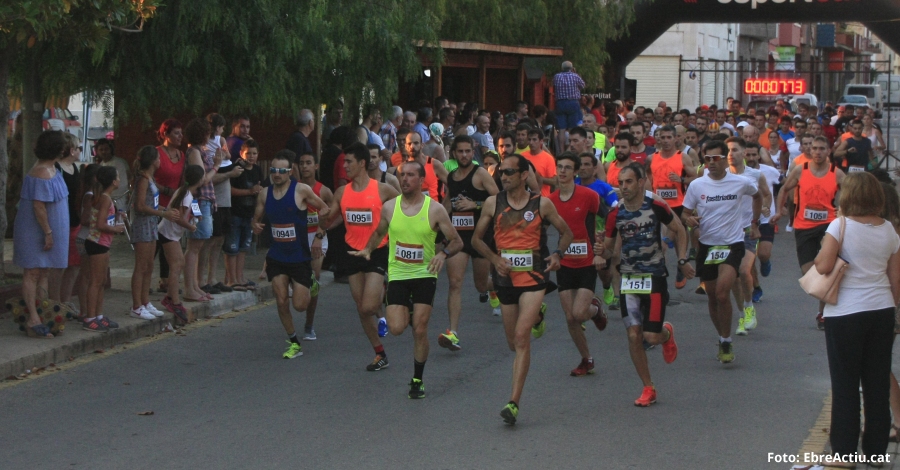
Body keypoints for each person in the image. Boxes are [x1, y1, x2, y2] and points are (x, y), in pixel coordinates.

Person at [472, 154, 574, 425]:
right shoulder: (493, 203)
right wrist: (495, 260)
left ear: (524, 175)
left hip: (534, 277)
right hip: (505, 280)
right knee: (511, 343)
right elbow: (476, 240)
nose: (503, 177)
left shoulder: (541, 204)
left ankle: (514, 402)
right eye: (501, 173)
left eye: (508, 172)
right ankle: (538, 316)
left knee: (520, 338)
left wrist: (557, 255)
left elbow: (566, 233)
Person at [351, 160, 462, 398]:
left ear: (421, 180)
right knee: (397, 328)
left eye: (411, 175)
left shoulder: (434, 209)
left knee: (420, 329)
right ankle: (410, 310)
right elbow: (380, 231)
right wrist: (369, 249)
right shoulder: (390, 207)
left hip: (424, 275)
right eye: (402, 175)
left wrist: (443, 254)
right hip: (398, 275)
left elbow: (457, 241)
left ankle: (417, 379)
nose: (405, 179)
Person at [815, 172, 900, 465]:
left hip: (846, 312)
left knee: (846, 385)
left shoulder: (840, 226)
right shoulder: (889, 229)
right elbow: (895, 280)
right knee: (876, 384)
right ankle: (876, 453)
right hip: (882, 310)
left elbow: (825, 265)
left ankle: (843, 453)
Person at [599, 162, 693, 405]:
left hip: (654, 276)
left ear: (641, 182)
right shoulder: (615, 212)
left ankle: (666, 333)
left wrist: (682, 259)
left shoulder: (656, 204)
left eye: (629, 182)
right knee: (633, 335)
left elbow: (680, 229)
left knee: (651, 336)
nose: (624, 187)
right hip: (628, 278)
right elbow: (609, 250)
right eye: (620, 183)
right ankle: (648, 387)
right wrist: (601, 250)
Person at [320, 142, 400, 370]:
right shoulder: (342, 192)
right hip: (351, 253)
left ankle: (386, 290)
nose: (344, 166)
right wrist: (320, 217)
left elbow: (405, 209)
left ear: (362, 163)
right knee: (361, 308)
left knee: (367, 307)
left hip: (376, 251)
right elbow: (328, 221)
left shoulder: (381, 189)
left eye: (348, 162)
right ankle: (380, 353)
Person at [681, 140, 761, 364]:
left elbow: (758, 196)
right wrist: (690, 220)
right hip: (707, 246)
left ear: (725, 160)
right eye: (707, 159)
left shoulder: (741, 182)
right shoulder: (697, 186)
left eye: (716, 158)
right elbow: (684, 213)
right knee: (712, 297)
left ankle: (726, 339)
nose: (711, 163)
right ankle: (723, 337)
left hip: (732, 244)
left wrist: (754, 223)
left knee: (722, 293)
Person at [253, 151, 330, 359]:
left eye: (281, 171)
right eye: (273, 170)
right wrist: (256, 226)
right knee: (280, 300)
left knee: (299, 305)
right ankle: (294, 342)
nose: (276, 174)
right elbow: (256, 218)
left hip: (299, 257)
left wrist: (319, 235)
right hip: (277, 256)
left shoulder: (301, 190)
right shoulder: (264, 194)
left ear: (289, 172)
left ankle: (311, 284)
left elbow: (324, 209)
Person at [772, 136, 845, 329]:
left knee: (826, 271)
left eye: (822, 148)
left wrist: (843, 210)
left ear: (828, 151)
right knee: (809, 273)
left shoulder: (836, 173)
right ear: (810, 151)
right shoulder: (800, 170)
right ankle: (825, 302)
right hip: (804, 227)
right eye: (815, 148)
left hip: (829, 226)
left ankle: (824, 312)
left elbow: (850, 193)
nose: (818, 152)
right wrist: (780, 211)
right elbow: (783, 190)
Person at [548, 152, 607, 377]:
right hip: (564, 264)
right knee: (570, 317)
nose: (562, 171)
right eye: (559, 167)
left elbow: (607, 216)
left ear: (575, 172)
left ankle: (595, 309)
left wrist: (602, 242)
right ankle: (586, 359)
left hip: (586, 261)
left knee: (580, 312)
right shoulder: (550, 202)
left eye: (567, 168)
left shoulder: (588, 195)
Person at [442, 135, 500, 348]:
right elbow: (448, 203)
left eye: (468, 151)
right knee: (454, 283)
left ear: (472, 152)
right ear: (454, 153)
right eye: (460, 152)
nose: (464, 155)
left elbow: (498, 200)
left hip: (480, 237)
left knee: (481, 285)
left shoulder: (481, 174)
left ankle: (504, 284)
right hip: (458, 238)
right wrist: (434, 223)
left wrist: (475, 204)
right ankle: (452, 332)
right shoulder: (452, 176)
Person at [14, 130, 71, 339]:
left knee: (44, 272)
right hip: (36, 230)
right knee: (33, 272)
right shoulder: (41, 172)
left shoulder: (52, 169)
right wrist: (48, 232)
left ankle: (42, 312)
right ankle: (33, 319)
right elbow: (39, 207)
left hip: (48, 231)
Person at [715, 138, 772, 336]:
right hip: (727, 231)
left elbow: (765, 194)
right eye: (728, 150)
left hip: (748, 229)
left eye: (735, 150)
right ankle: (742, 314)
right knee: (734, 279)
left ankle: (748, 307)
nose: (731, 153)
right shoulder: (720, 176)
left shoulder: (755, 175)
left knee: (743, 270)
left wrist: (764, 209)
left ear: (744, 153)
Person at [130, 146, 181, 320]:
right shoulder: (142, 179)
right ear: (152, 161)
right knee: (141, 266)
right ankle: (136, 305)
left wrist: (165, 209)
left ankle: (145, 302)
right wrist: (162, 213)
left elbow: (151, 203)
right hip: (143, 224)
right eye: (158, 158)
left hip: (151, 223)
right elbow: (140, 206)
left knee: (149, 266)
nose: (161, 161)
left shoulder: (150, 178)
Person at [645, 125, 698, 290]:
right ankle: (658, 276)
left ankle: (681, 263)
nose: (666, 141)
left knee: (676, 238)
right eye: (663, 137)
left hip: (678, 204)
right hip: (658, 204)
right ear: (658, 139)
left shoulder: (682, 157)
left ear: (676, 139)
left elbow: (695, 178)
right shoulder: (651, 158)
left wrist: (681, 180)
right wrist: (648, 195)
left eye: (669, 137)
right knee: (660, 243)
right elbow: (647, 176)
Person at [183, 118, 223, 302]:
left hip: (203, 201)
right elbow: (201, 179)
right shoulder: (194, 152)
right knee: (195, 243)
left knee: (198, 243)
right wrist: (216, 165)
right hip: (198, 201)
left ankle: (194, 285)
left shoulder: (199, 150)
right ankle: (189, 287)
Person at [158, 165, 205, 324]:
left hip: (171, 233)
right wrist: (191, 226)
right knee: (177, 265)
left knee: (178, 264)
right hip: (168, 233)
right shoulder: (186, 196)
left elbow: (189, 211)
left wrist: (196, 217)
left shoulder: (185, 192)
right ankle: (174, 301)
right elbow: (178, 217)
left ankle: (171, 297)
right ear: (199, 180)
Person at [297, 151, 334, 340]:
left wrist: (322, 232)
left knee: (315, 277)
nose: (305, 166)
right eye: (302, 162)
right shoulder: (293, 188)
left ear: (316, 166)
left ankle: (309, 324)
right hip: (298, 237)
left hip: (317, 236)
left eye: (308, 162)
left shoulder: (324, 190)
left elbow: (334, 212)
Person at [83, 167, 126, 332]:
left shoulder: (104, 197)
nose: (120, 179)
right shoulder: (106, 199)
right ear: (113, 182)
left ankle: (98, 315)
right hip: (98, 243)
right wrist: (117, 229)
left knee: (100, 282)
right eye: (118, 177)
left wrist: (117, 218)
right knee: (95, 282)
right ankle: (90, 317)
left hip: (101, 243)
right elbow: (101, 224)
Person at [227, 139, 265, 292]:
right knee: (232, 248)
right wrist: (249, 191)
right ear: (241, 153)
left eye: (254, 153)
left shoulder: (257, 170)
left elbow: (259, 188)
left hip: (248, 214)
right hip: (235, 213)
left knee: (243, 248)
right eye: (248, 153)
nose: (251, 156)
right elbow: (230, 190)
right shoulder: (236, 169)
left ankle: (240, 277)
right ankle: (232, 279)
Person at [744, 142, 780, 302]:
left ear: (759, 155)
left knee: (763, 253)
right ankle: (756, 287)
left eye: (754, 155)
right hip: (746, 220)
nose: (751, 158)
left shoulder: (769, 172)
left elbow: (775, 191)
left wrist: (770, 207)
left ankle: (765, 262)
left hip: (765, 219)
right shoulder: (738, 174)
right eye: (748, 155)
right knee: (748, 259)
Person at [153, 119, 186, 293]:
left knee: (170, 242)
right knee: (153, 245)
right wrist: (165, 189)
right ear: (166, 134)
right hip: (157, 205)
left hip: (173, 204)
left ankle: (165, 280)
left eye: (181, 133)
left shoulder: (182, 155)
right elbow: (148, 179)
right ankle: (144, 280)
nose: (180, 136)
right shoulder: (157, 153)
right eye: (176, 133)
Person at [51, 133, 82, 309]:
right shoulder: (57, 168)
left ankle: (66, 299)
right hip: (60, 221)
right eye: (78, 148)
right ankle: (54, 301)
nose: (79, 151)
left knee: (74, 263)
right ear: (71, 150)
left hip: (74, 220)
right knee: (58, 265)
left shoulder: (74, 168)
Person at [95, 137, 130, 212]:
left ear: (111, 149)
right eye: (101, 150)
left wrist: (130, 194)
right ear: (97, 151)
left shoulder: (120, 162)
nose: (104, 152)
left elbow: (130, 178)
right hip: (108, 199)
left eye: (106, 149)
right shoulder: (100, 166)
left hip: (122, 199)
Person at [552, 61, 585, 130]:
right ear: (572, 68)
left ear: (562, 68)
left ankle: (561, 140)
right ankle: (571, 139)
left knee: (561, 128)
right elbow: (582, 85)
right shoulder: (575, 76)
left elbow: (554, 85)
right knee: (573, 127)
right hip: (573, 102)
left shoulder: (556, 76)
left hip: (560, 103)